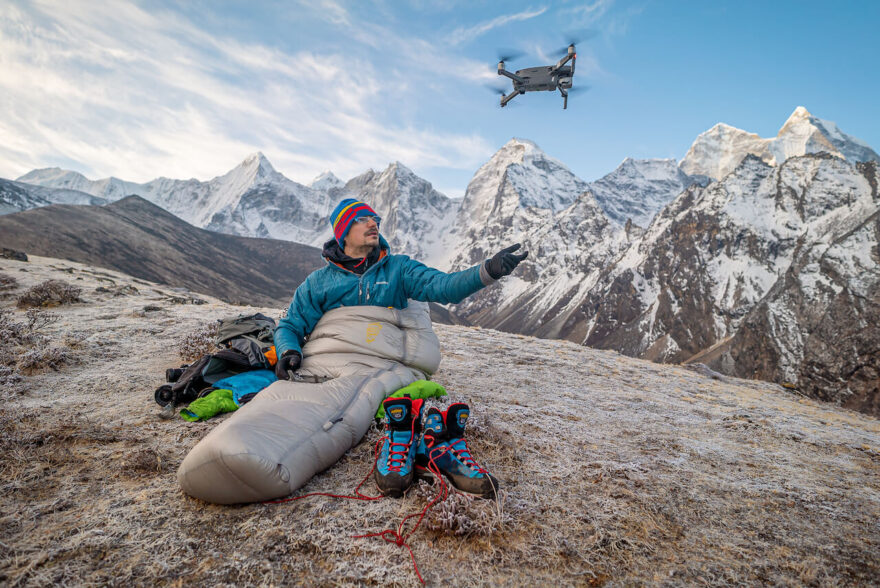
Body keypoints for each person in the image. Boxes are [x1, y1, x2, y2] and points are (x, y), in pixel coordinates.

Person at [273, 198, 528, 379]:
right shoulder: (318, 283)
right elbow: (291, 325)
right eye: (362, 219)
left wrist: (490, 270)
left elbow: (445, 288)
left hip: (385, 366)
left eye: (375, 218)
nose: (373, 223)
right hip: (335, 364)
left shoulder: (399, 269)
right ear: (343, 232)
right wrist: (289, 350)